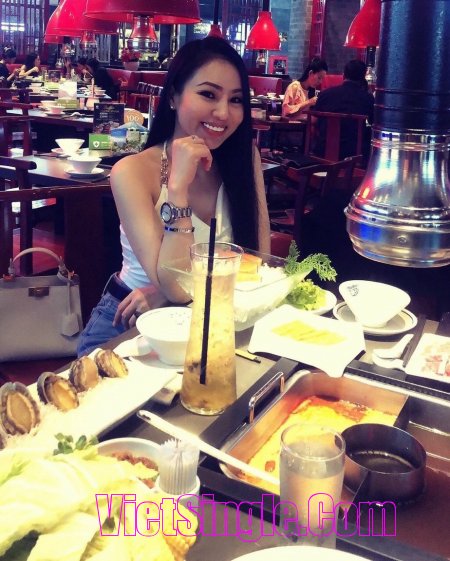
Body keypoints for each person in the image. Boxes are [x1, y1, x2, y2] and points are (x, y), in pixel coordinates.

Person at [77, 37, 270, 356]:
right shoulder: (131, 172)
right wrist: (177, 190)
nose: (223, 112)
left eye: (236, 100)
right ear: (173, 97)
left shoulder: (245, 159)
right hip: (127, 325)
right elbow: (177, 286)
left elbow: (257, 262)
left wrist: (168, 294)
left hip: (211, 317)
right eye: (208, 94)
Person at [312, 59, 374, 162]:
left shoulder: (325, 94)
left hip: (322, 150)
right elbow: (374, 123)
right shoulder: (367, 98)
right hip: (353, 154)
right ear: (363, 78)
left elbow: (314, 121)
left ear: (344, 75)